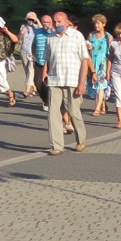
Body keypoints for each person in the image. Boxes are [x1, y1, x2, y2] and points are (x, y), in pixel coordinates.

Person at [42, 11, 90, 154]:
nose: (57, 24)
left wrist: (82, 83)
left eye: (60, 22)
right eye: (55, 22)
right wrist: (45, 72)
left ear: (67, 22)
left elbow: (84, 60)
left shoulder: (77, 36)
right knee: (53, 114)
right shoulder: (50, 37)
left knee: (73, 111)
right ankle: (56, 146)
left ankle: (81, 140)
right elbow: (47, 58)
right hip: (55, 80)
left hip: (72, 80)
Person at [87, 14, 111, 117]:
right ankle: (103, 105)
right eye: (95, 23)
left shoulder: (108, 36)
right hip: (92, 62)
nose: (96, 25)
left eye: (98, 23)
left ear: (104, 24)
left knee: (100, 86)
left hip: (102, 63)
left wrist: (109, 69)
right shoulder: (91, 35)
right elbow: (86, 50)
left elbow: (110, 53)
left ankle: (97, 108)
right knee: (95, 87)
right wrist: (88, 48)